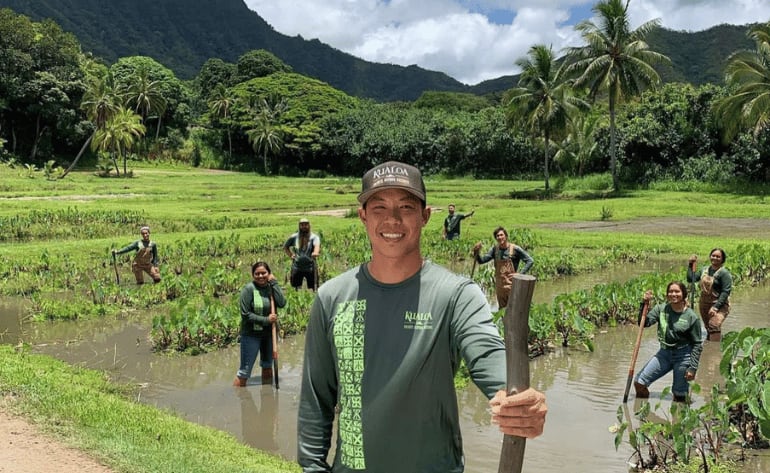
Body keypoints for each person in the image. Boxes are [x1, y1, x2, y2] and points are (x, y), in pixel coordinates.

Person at [297, 161, 547, 473]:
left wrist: (519, 403)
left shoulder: (456, 294)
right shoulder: (332, 297)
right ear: (362, 215)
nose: (392, 218)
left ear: (425, 216)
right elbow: (315, 402)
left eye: (406, 206)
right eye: (379, 207)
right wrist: (312, 467)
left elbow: (488, 354)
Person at [633, 282, 705, 403]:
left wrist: (692, 368)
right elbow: (644, 323)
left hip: (683, 356)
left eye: (677, 291)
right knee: (639, 383)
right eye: (670, 291)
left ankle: (681, 419)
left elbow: (697, 344)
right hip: (664, 353)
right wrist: (644, 304)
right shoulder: (661, 309)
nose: (673, 294)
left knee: (679, 395)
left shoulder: (691, 317)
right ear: (667, 295)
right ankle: (643, 414)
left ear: (683, 294)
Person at [233, 261, 286, 387]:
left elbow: (282, 303)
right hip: (251, 334)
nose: (261, 276)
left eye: (264, 273)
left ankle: (267, 397)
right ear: (253, 275)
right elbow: (246, 315)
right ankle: (238, 396)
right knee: (244, 371)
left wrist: (274, 283)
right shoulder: (248, 289)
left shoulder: (271, 287)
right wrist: (266, 320)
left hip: (269, 334)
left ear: (269, 273)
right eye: (257, 274)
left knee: (268, 366)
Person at [473, 227, 534, 310]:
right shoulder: (495, 250)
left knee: (514, 310)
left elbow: (530, 261)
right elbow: (482, 261)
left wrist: (520, 274)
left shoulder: (515, 249)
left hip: (512, 286)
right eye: (497, 236)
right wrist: (476, 253)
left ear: (506, 236)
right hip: (500, 288)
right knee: (502, 312)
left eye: (501, 235)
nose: (499, 237)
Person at [687, 248, 732, 342]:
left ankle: (714, 350)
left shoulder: (724, 273)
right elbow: (691, 278)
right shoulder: (704, 270)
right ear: (710, 256)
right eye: (713, 255)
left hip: (720, 304)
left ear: (722, 259)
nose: (715, 258)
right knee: (708, 328)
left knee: (714, 325)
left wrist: (716, 307)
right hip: (704, 303)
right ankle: (709, 348)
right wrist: (691, 264)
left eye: (718, 256)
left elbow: (725, 291)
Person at [284, 218, 321, 290]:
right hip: (297, 266)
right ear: (299, 226)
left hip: (310, 266)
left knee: (314, 287)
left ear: (309, 226)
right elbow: (286, 247)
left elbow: (317, 246)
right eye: (302, 225)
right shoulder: (294, 237)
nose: (304, 226)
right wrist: (291, 255)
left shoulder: (314, 237)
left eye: (306, 224)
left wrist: (315, 252)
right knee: (295, 288)